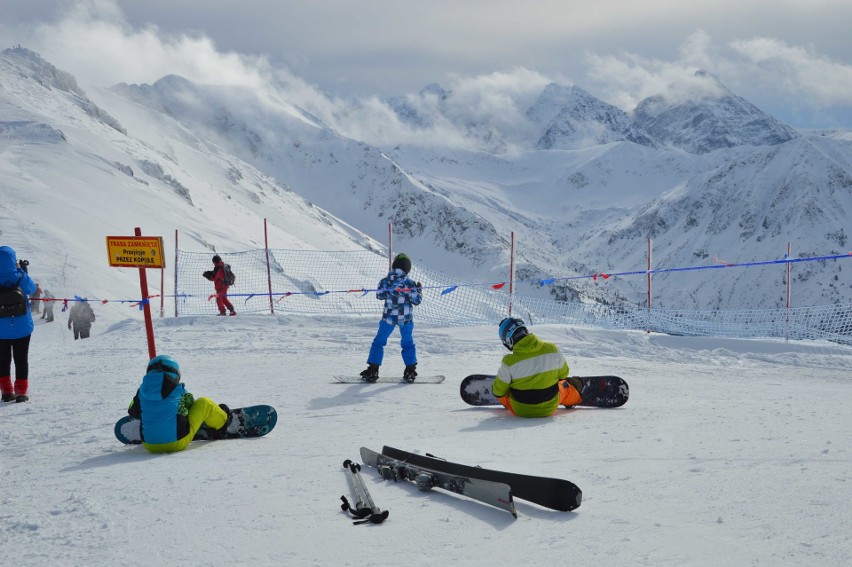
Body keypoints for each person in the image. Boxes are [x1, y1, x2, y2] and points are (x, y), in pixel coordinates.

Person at [127, 355, 235, 453]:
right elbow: (190, 403)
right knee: (204, 403)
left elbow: (133, 411)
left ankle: (155, 429)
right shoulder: (178, 389)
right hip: (177, 441)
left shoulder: (141, 392)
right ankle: (222, 424)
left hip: (149, 445)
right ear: (176, 374)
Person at [492, 317, 584, 418]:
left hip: (521, 410)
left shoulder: (509, 362)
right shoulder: (551, 349)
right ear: (525, 330)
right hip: (550, 407)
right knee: (564, 387)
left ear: (508, 341)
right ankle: (577, 397)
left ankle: (506, 383)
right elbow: (564, 374)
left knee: (503, 393)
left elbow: (499, 392)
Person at [360, 253, 422, 383]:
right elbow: (416, 301)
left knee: (379, 341)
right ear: (407, 268)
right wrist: (418, 290)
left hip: (388, 317)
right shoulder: (409, 283)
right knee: (407, 343)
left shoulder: (385, 281)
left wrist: (390, 290)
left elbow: (379, 296)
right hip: (405, 318)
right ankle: (410, 370)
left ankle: (373, 370)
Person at [0, 247, 37, 402]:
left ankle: (6, 392)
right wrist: (23, 271)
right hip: (22, 327)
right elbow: (32, 289)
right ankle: (21, 392)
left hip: (1, 330)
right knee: (21, 359)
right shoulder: (20, 276)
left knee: (3, 360)